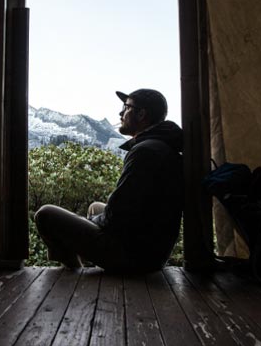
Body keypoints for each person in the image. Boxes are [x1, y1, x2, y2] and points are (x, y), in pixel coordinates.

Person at [34, 88, 184, 273]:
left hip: (135, 256)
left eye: (126, 107)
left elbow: (118, 215)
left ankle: (75, 273)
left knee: (45, 215)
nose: (121, 113)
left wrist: (91, 221)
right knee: (95, 207)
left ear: (141, 114)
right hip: (153, 249)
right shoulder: (161, 146)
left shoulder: (144, 152)